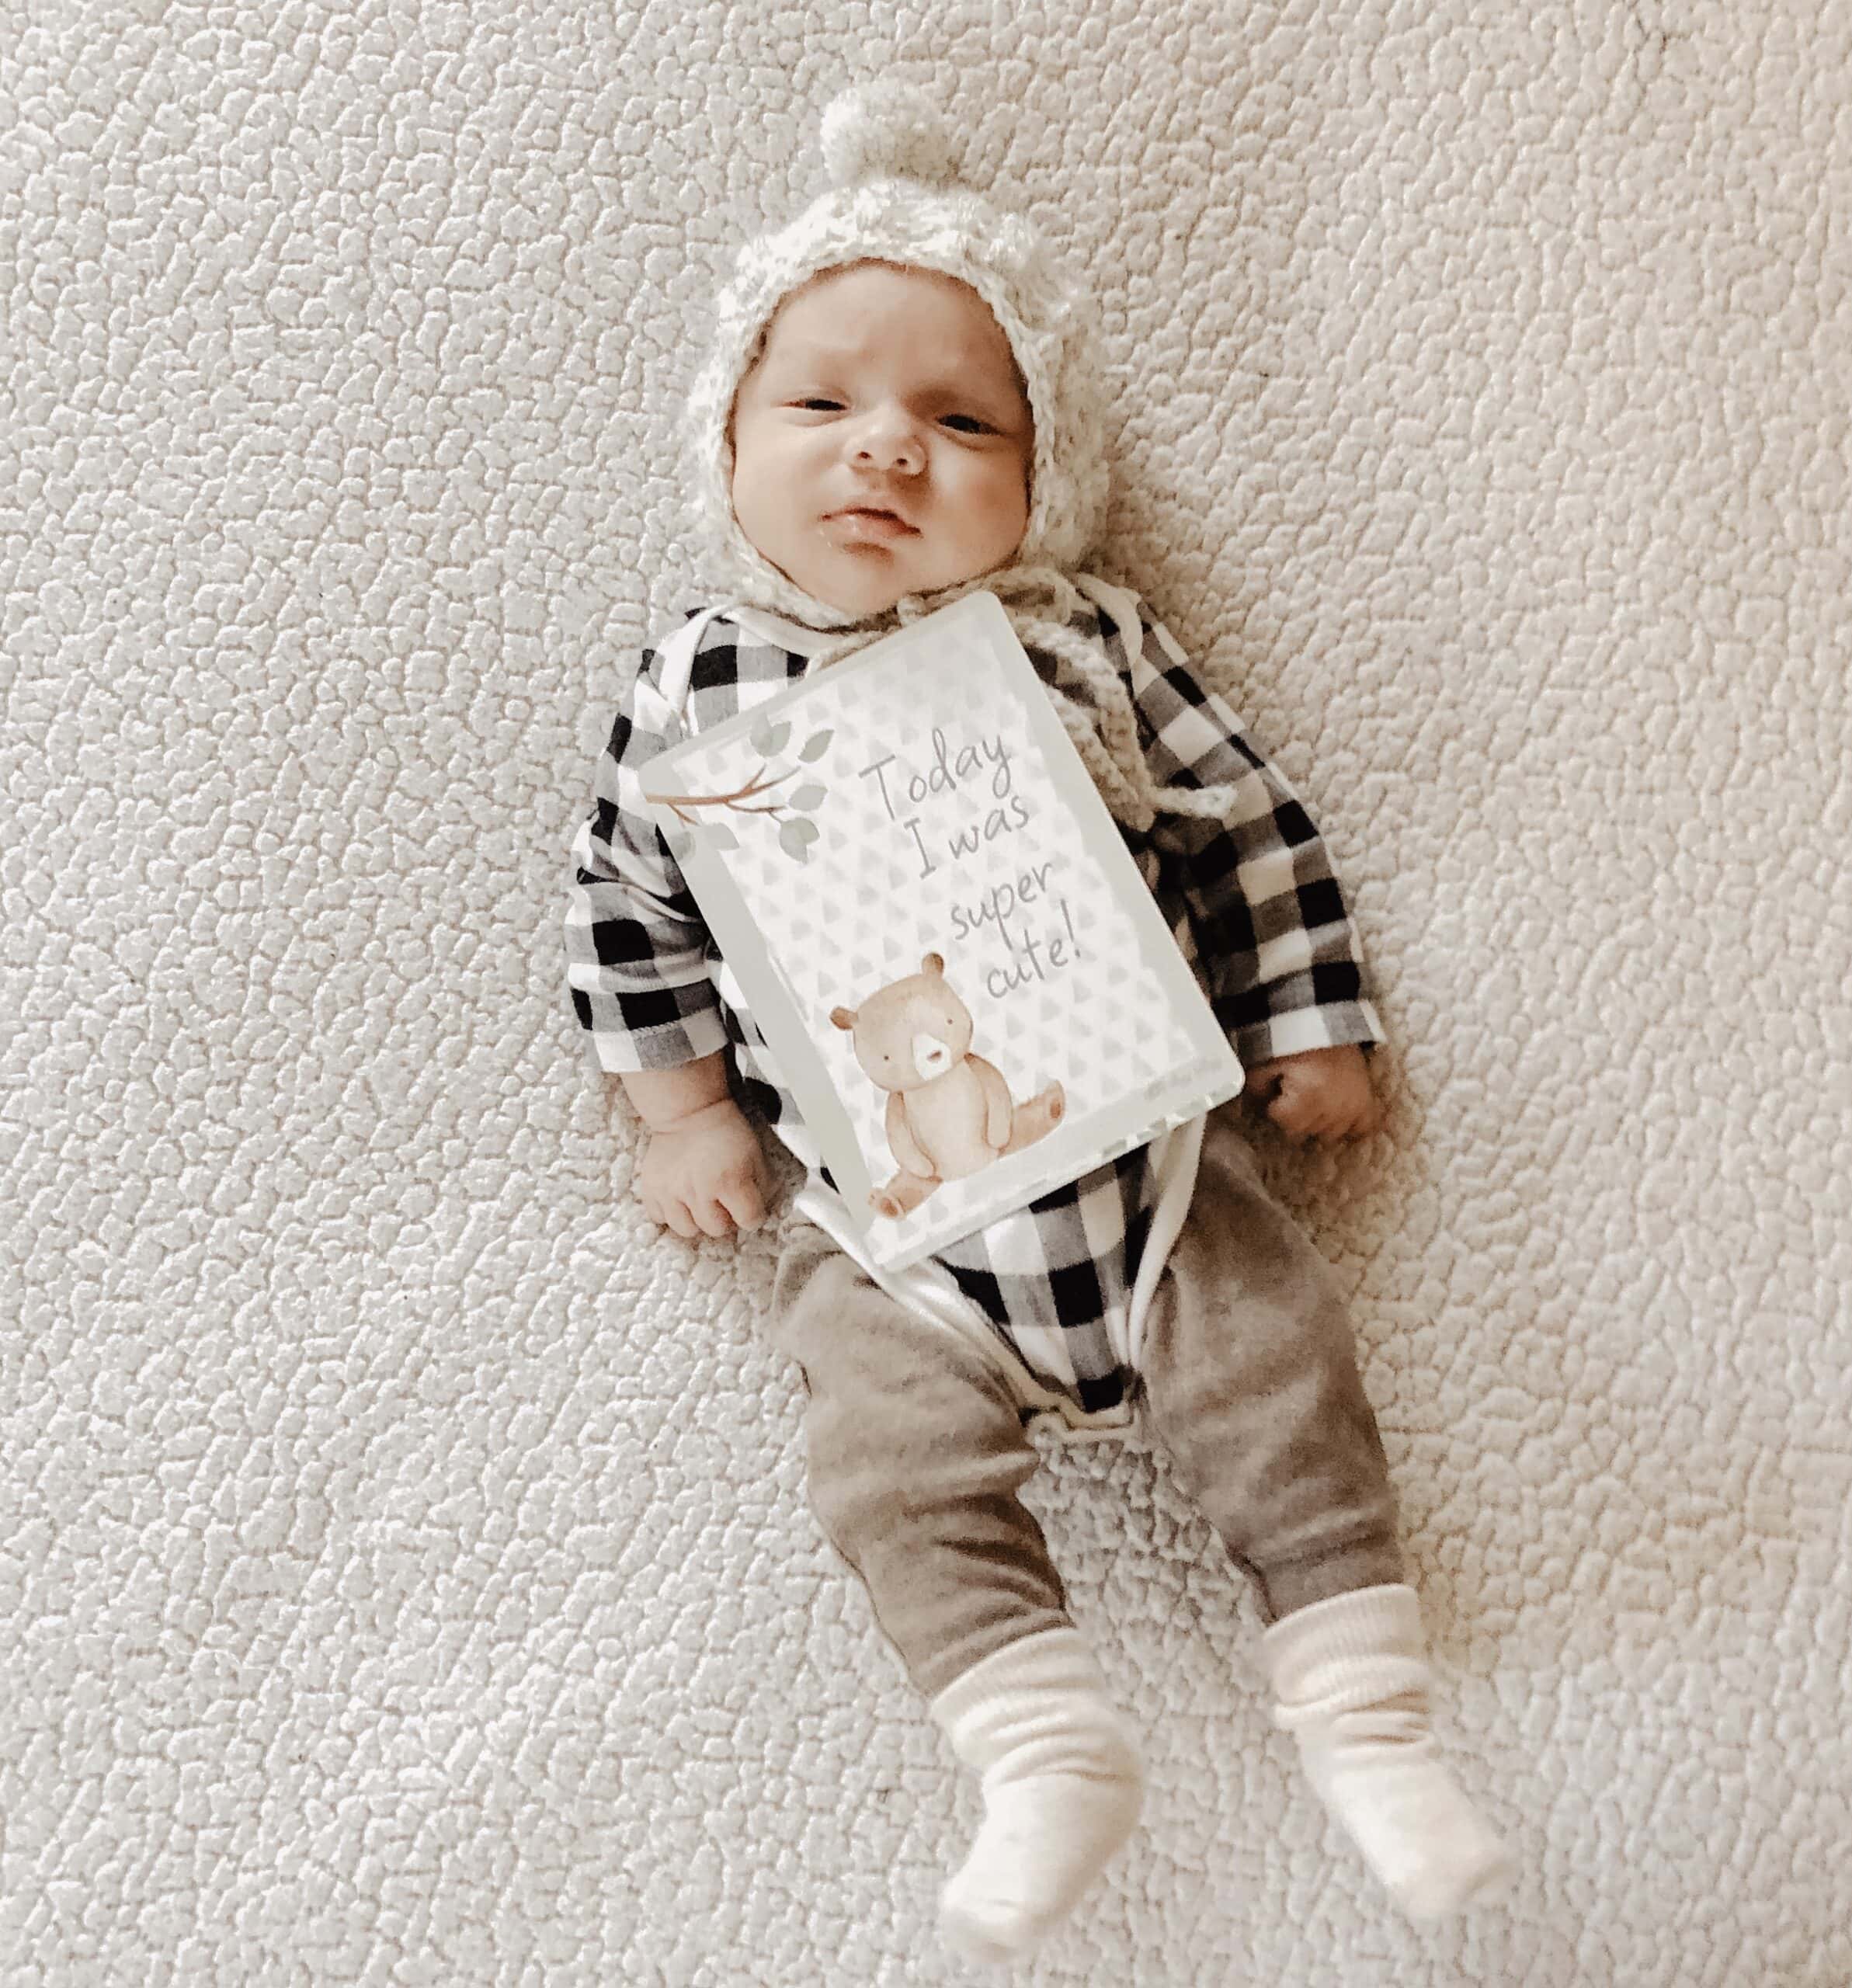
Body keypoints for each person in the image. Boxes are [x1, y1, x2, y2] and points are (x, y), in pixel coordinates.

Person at [564, 83, 1512, 1965]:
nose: (884, 455)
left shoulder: (1085, 641)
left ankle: (1369, 1723)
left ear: (1042, 472)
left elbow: (1247, 827)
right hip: (889, 1225)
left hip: (1151, 1171)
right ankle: (1037, 1743)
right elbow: (623, 908)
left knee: (1283, 1380)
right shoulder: (697, 681)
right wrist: (682, 1115)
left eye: (959, 420)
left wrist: (1306, 1018)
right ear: (729, 442)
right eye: (818, 407)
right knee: (879, 1461)